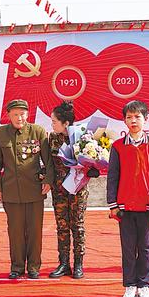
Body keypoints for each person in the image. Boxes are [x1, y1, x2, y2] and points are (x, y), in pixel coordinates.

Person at [107, 100, 149, 297]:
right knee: (128, 248)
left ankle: (144, 286)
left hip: (147, 206)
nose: (133, 121)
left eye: (137, 117)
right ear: (124, 121)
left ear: (145, 119)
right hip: (125, 207)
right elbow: (112, 177)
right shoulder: (117, 147)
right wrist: (113, 204)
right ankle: (130, 287)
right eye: (129, 117)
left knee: (146, 248)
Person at [0, 99, 54, 279]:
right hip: (10, 190)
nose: (19, 118)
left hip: (34, 190)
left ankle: (34, 266)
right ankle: (17, 267)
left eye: (22, 114)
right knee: (15, 231)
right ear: (8, 115)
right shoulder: (0, 133)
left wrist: (48, 181)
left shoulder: (37, 131)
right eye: (15, 114)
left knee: (35, 231)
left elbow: (48, 160)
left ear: (28, 114)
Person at [48, 101, 96, 279]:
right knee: (62, 226)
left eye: (54, 121)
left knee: (77, 226)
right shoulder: (52, 138)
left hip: (78, 189)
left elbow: (93, 158)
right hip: (59, 189)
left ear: (66, 123)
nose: (52, 125)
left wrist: (93, 169)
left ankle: (78, 264)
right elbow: (49, 162)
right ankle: (63, 264)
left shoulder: (84, 137)